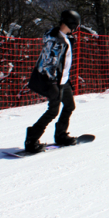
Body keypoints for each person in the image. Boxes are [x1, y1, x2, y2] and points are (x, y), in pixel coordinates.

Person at [25, 10, 81, 153]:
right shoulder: (55, 41)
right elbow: (48, 63)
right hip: (53, 82)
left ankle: (60, 135)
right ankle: (31, 139)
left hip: (64, 80)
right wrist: (52, 83)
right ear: (72, 24)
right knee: (53, 111)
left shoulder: (62, 37)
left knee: (69, 106)